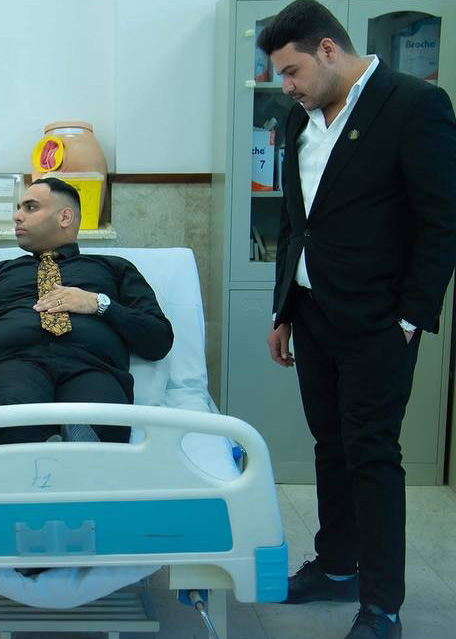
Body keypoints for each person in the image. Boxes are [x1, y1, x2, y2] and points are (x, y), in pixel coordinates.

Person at [260, 2, 456, 638]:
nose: (286, 87)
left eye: (292, 71)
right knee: (331, 445)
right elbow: (295, 220)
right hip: (312, 312)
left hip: (378, 320)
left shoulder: (413, 105)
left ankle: (381, 605)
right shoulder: (301, 118)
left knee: (372, 454)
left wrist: (410, 319)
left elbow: (441, 221)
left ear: (327, 50)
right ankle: (336, 565)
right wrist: (283, 308)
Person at [0, 177, 173, 444]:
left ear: (65, 217)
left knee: (101, 422)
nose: (17, 216)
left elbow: (158, 340)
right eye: (18, 208)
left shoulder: (113, 268)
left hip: (92, 367)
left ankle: (62, 449)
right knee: (11, 414)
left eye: (30, 207)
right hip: (13, 365)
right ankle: (50, 451)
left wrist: (98, 304)